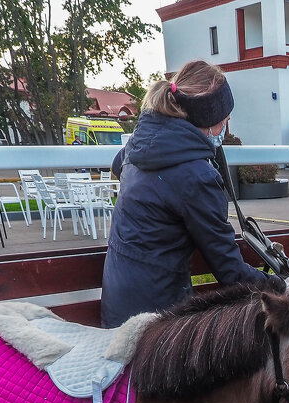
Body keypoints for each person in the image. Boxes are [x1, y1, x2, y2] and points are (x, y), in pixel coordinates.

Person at [100, 60, 269, 327]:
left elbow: (118, 166)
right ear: (211, 121)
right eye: (225, 121)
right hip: (156, 320)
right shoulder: (196, 176)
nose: (226, 129)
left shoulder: (142, 140)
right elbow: (229, 271)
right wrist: (283, 286)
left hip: (118, 302)